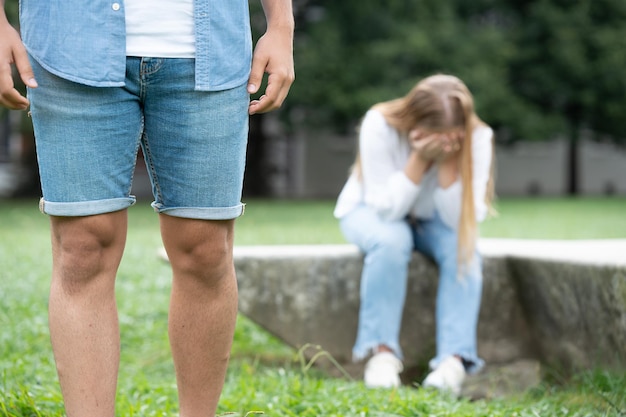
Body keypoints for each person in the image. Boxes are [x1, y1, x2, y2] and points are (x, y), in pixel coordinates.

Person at [0, 0, 294, 416]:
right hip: (69, 46)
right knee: (82, 249)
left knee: (206, 249)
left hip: (210, 50)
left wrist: (281, 25)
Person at [334, 74, 495, 395]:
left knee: (463, 249)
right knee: (393, 241)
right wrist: (420, 160)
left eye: (451, 139)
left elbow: (462, 219)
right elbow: (385, 210)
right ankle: (381, 355)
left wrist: (450, 163)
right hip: (368, 210)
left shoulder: (477, 136)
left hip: (434, 219)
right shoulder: (378, 124)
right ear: (412, 124)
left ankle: (453, 360)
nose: (444, 144)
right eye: (435, 138)